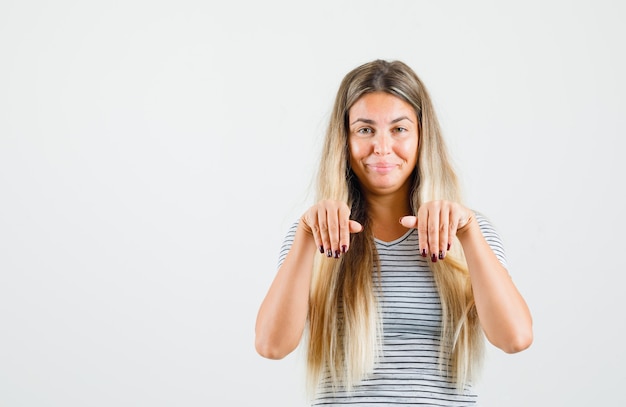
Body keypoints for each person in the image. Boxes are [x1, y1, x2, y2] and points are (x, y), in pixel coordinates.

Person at [254, 59, 533, 406]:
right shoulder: (316, 235)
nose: (382, 148)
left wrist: (470, 233)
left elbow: (515, 338)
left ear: (421, 137)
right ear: (344, 139)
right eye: (365, 130)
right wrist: (306, 236)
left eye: (399, 129)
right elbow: (271, 345)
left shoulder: (467, 232)